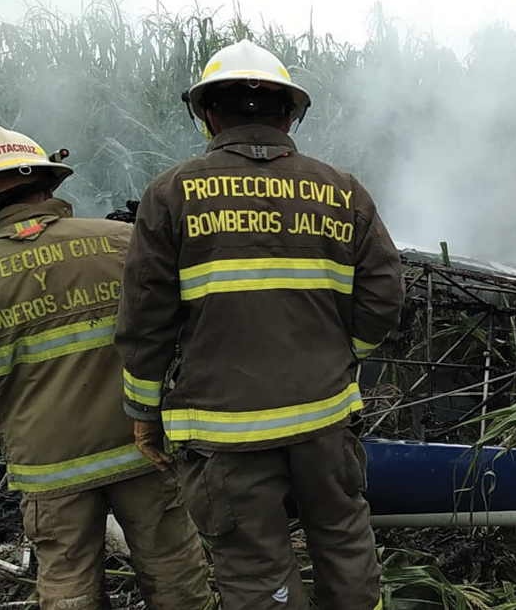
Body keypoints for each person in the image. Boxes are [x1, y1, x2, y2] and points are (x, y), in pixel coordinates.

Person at [114, 39, 406, 610]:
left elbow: (145, 322)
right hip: (325, 419)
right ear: (291, 113)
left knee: (254, 566)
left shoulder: (171, 194)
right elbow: (385, 294)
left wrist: (144, 414)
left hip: (227, 432)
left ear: (209, 115)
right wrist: (345, 353)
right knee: (345, 542)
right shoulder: (342, 190)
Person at [0, 126, 213, 610]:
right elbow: (188, 328)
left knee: (68, 587)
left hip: (47, 465)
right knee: (176, 573)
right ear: (48, 188)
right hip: (140, 445)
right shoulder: (124, 240)